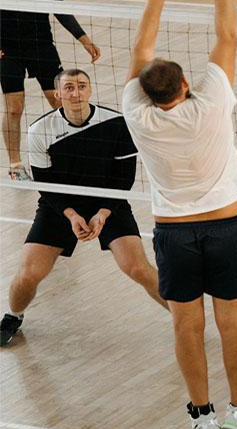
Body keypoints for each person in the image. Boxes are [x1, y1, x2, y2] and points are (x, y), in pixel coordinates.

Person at [121, 0, 237, 429]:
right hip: (225, 226)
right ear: (185, 84)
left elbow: (140, 53)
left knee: (185, 324)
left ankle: (201, 415)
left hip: (174, 235)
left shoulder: (138, 113)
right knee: (232, 320)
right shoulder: (213, 102)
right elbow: (228, 35)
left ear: (149, 92)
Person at [0, 68, 167, 347]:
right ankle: (13, 316)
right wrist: (72, 214)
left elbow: (122, 178)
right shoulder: (40, 130)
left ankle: (184, 318)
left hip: (108, 202)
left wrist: (103, 213)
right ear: (58, 94)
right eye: (68, 88)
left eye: (81, 86)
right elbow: (46, 185)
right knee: (28, 274)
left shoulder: (117, 123)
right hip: (61, 205)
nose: (75, 93)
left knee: (137, 268)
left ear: (90, 90)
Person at [1, 0, 101, 180]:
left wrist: (83, 38)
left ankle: (67, 155)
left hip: (41, 45)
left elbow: (59, 9)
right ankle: (15, 165)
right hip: (7, 50)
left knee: (61, 101)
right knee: (14, 108)